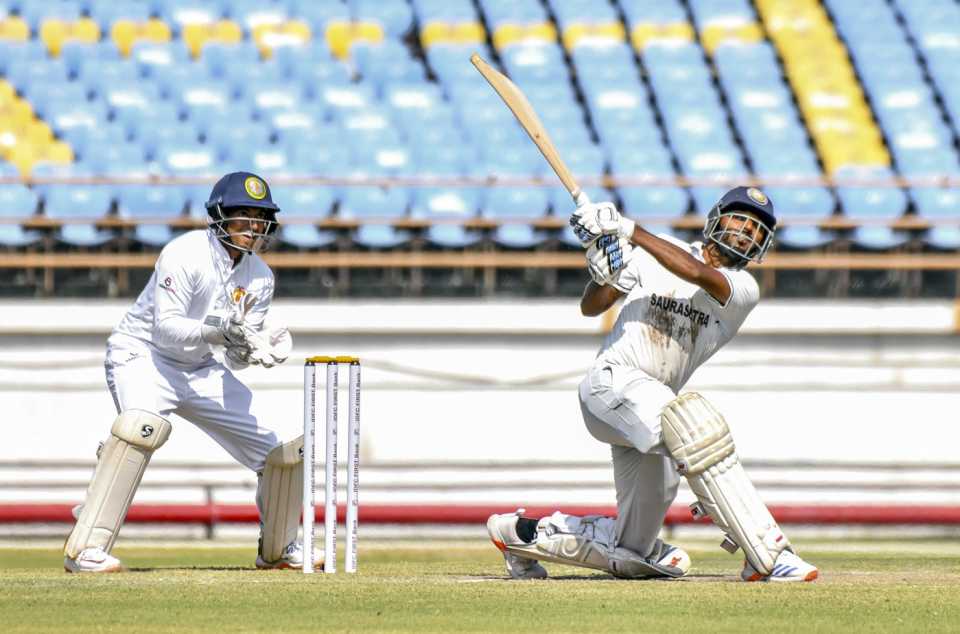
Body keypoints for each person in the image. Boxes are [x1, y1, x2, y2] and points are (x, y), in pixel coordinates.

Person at [486, 186, 818, 582]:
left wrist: (628, 229)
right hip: (613, 383)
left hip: (655, 410)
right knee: (695, 427)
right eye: (740, 219)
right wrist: (603, 274)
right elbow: (591, 306)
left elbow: (695, 273)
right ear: (715, 218)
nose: (747, 232)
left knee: (632, 553)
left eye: (758, 230)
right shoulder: (653, 253)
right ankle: (767, 552)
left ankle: (519, 535)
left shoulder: (744, 288)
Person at [63, 171, 309, 573]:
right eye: (242, 215)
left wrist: (252, 348)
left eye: (259, 217)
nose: (252, 227)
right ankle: (86, 549)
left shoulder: (260, 276)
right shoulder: (185, 254)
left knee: (284, 450)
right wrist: (222, 330)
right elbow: (167, 329)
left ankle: (279, 550)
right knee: (140, 429)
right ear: (219, 216)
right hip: (144, 355)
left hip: (200, 367)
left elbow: (234, 360)